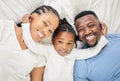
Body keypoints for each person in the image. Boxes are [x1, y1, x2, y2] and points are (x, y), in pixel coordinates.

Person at [24, 18, 108, 81]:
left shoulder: (73, 53)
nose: (64, 47)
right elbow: (32, 45)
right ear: (53, 40)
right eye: (60, 41)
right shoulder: (50, 50)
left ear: (73, 44)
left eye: (69, 43)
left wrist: (103, 38)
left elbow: (91, 52)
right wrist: (26, 24)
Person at [0, 5, 60, 81]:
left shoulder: (39, 55)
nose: (45, 32)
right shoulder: (5, 28)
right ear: (32, 17)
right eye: (45, 23)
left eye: (50, 31)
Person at [74, 10, 120, 81]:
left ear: (100, 26)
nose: (87, 32)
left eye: (91, 25)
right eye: (81, 29)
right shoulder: (81, 61)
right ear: (79, 36)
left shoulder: (117, 39)